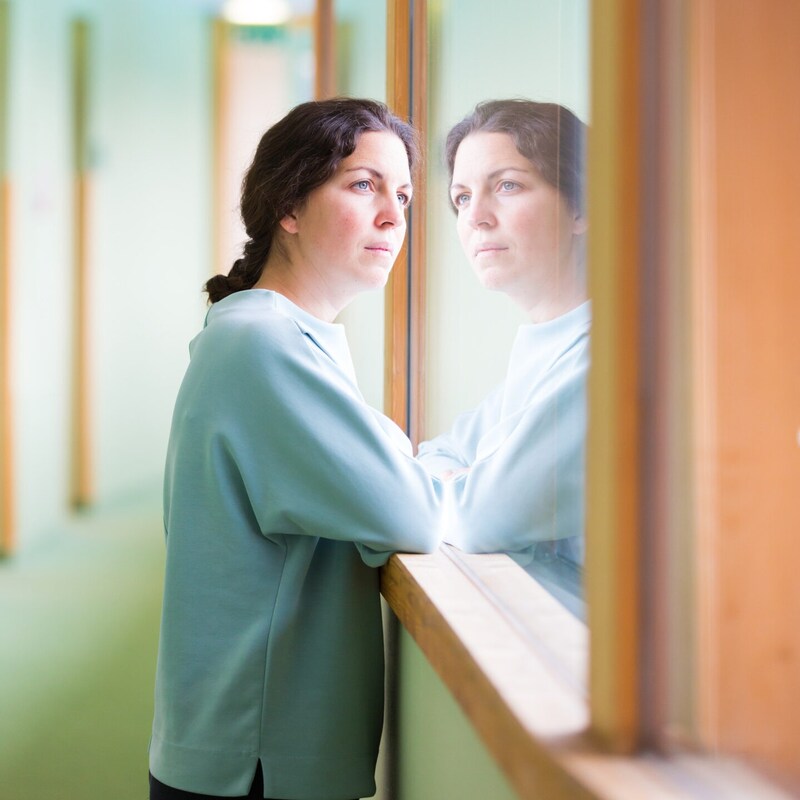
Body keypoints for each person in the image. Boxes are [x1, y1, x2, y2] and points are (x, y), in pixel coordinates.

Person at [149, 98, 442, 800]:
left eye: (403, 194)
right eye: (364, 185)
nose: (394, 216)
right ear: (288, 205)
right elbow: (409, 511)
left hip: (249, 749)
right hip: (252, 760)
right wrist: (404, 471)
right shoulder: (265, 345)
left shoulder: (278, 335)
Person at [417, 99, 589, 613]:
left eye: (507, 186)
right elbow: (438, 453)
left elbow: (478, 519)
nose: (476, 217)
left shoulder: (610, 354)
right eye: (462, 197)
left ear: (582, 207)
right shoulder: (546, 345)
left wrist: (462, 488)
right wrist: (461, 483)